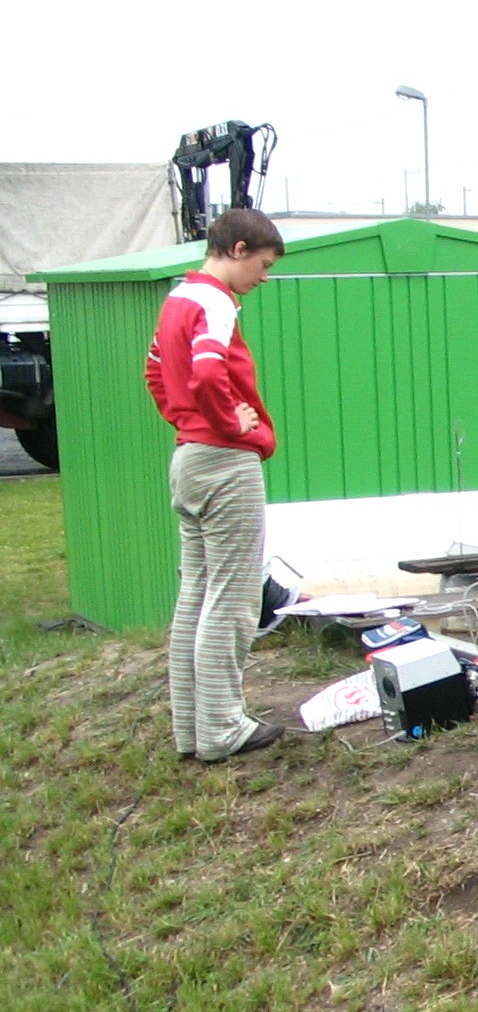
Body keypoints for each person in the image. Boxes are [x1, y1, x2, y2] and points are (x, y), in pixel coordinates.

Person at [145, 208, 288, 761]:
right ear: (239, 248)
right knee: (233, 597)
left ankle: (193, 728)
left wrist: (189, 422)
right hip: (225, 461)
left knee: (197, 592)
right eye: (263, 263)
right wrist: (229, 422)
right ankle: (224, 727)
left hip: (189, 457)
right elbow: (208, 372)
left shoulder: (178, 299)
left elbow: (156, 373)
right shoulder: (216, 301)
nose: (264, 276)